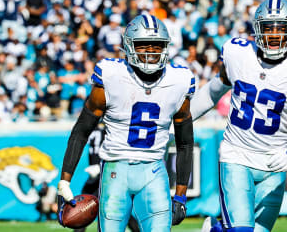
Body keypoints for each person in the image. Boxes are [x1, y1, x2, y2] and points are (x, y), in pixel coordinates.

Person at [57, 15, 195, 232]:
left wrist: (180, 194)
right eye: (143, 45)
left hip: (154, 172)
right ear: (129, 47)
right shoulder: (112, 76)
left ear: (166, 48)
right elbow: (81, 131)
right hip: (115, 172)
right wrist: (64, 182)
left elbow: (185, 143)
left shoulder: (179, 80)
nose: (150, 52)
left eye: (156, 45)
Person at [194, 0, 287, 231]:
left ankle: (216, 228)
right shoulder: (238, 53)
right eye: (268, 28)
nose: (274, 35)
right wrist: (179, 119)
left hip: (274, 164)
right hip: (237, 156)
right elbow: (213, 91)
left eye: (281, 28)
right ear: (257, 29)